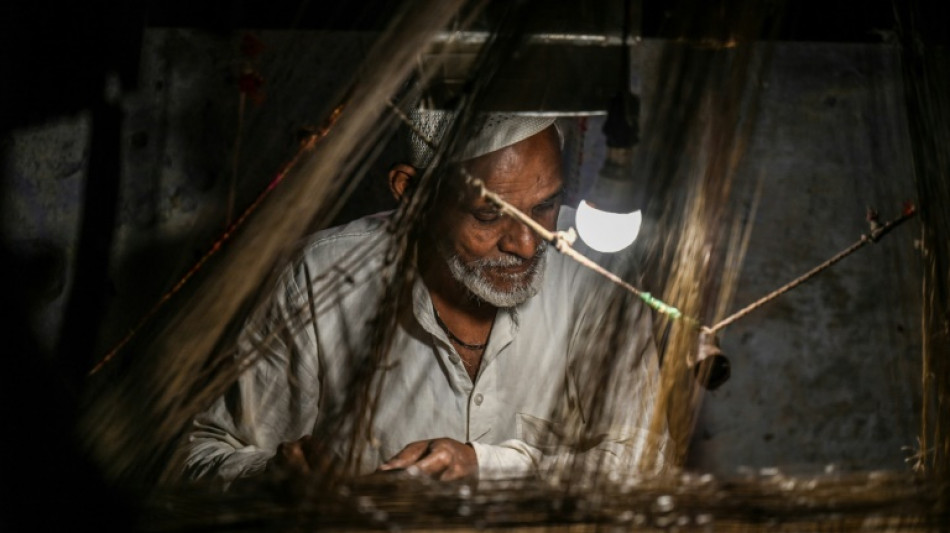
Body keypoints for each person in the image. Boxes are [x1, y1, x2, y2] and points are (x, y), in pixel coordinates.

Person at [181, 110, 670, 487]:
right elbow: (202, 453)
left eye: (545, 206)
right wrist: (271, 477)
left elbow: (645, 463)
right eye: (487, 216)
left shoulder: (596, 274)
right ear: (412, 194)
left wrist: (486, 468)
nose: (526, 244)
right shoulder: (319, 277)